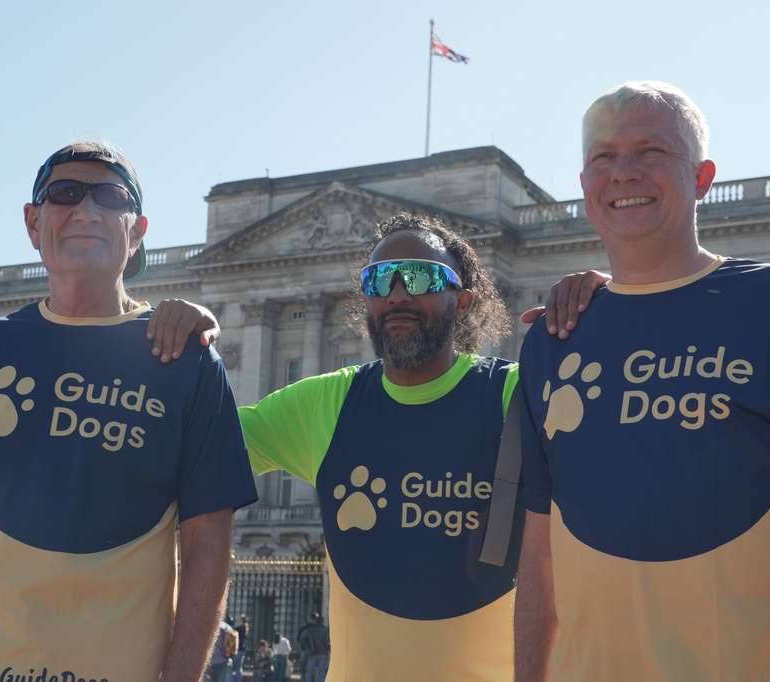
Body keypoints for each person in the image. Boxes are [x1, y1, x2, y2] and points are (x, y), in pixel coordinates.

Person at [514, 81, 770, 681]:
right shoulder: (553, 336)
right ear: (583, 185)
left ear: (703, 177)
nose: (624, 173)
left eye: (652, 151)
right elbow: (537, 554)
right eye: (603, 157)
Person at [0, 141, 257, 682]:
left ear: (137, 231)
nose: (86, 210)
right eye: (65, 194)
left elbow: (207, 543)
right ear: (34, 224)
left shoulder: (183, 357)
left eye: (110, 196)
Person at [150, 212, 530, 680]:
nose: (397, 293)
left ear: (464, 301)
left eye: (421, 276)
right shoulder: (323, 402)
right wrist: (172, 356)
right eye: (378, 281)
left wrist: (615, 311)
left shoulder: (517, 395)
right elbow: (175, 450)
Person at [298, 613, 330, 682]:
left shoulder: (310, 629)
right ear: (322, 622)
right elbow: (327, 641)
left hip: (312, 653)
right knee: (321, 672)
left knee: (309, 672)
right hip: (323, 653)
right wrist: (328, 648)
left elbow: (302, 637)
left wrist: (307, 646)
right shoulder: (324, 630)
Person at [230, 614, 249, 682]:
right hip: (242, 650)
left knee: (230, 667)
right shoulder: (244, 629)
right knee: (238, 668)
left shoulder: (240, 629)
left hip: (238, 650)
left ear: (242, 621)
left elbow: (232, 630)